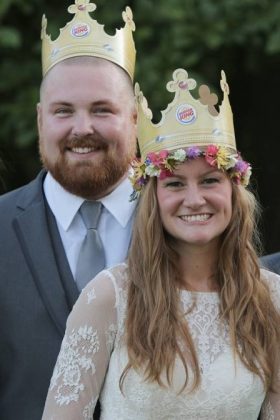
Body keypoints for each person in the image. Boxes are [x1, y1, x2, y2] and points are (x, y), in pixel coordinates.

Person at [42, 68, 280, 419]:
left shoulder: (271, 298)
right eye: (174, 184)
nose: (195, 199)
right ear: (153, 199)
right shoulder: (110, 295)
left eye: (210, 180)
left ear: (234, 189)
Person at [0, 2, 137, 419]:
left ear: (134, 118)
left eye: (102, 109)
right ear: (41, 121)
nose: (82, 129)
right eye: (64, 111)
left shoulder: (189, 226)